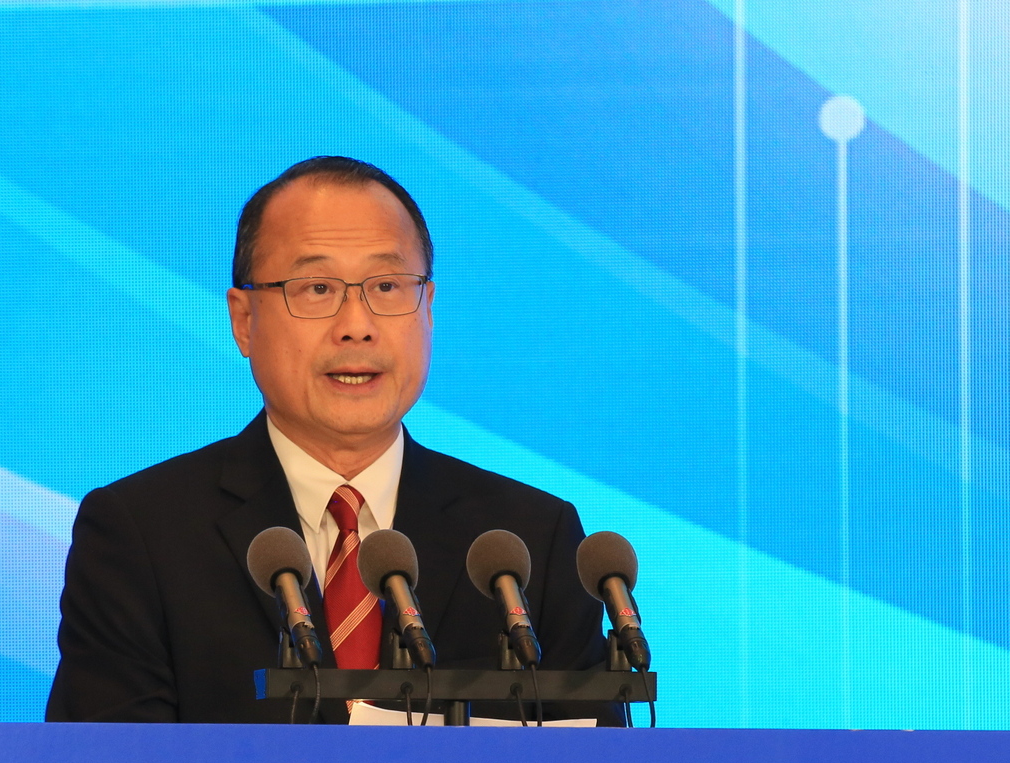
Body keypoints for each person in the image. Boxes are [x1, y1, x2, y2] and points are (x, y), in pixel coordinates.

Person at [45, 156, 609, 723]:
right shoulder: (141, 535)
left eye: (386, 286)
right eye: (317, 288)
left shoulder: (529, 542)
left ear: (428, 309)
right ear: (243, 320)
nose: (356, 326)